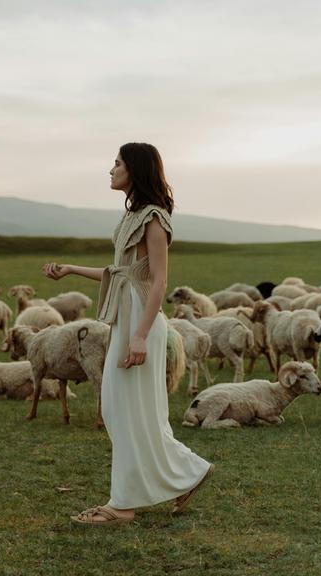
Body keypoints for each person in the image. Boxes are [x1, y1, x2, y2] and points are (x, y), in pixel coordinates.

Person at [42, 142, 214, 526]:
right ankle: (187, 473)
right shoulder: (132, 216)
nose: (111, 169)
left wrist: (140, 335)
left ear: (134, 169)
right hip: (127, 318)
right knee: (125, 410)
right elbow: (120, 273)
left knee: (125, 410)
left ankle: (123, 505)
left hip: (140, 321)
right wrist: (70, 269)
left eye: (117, 163)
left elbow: (158, 281)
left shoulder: (154, 218)